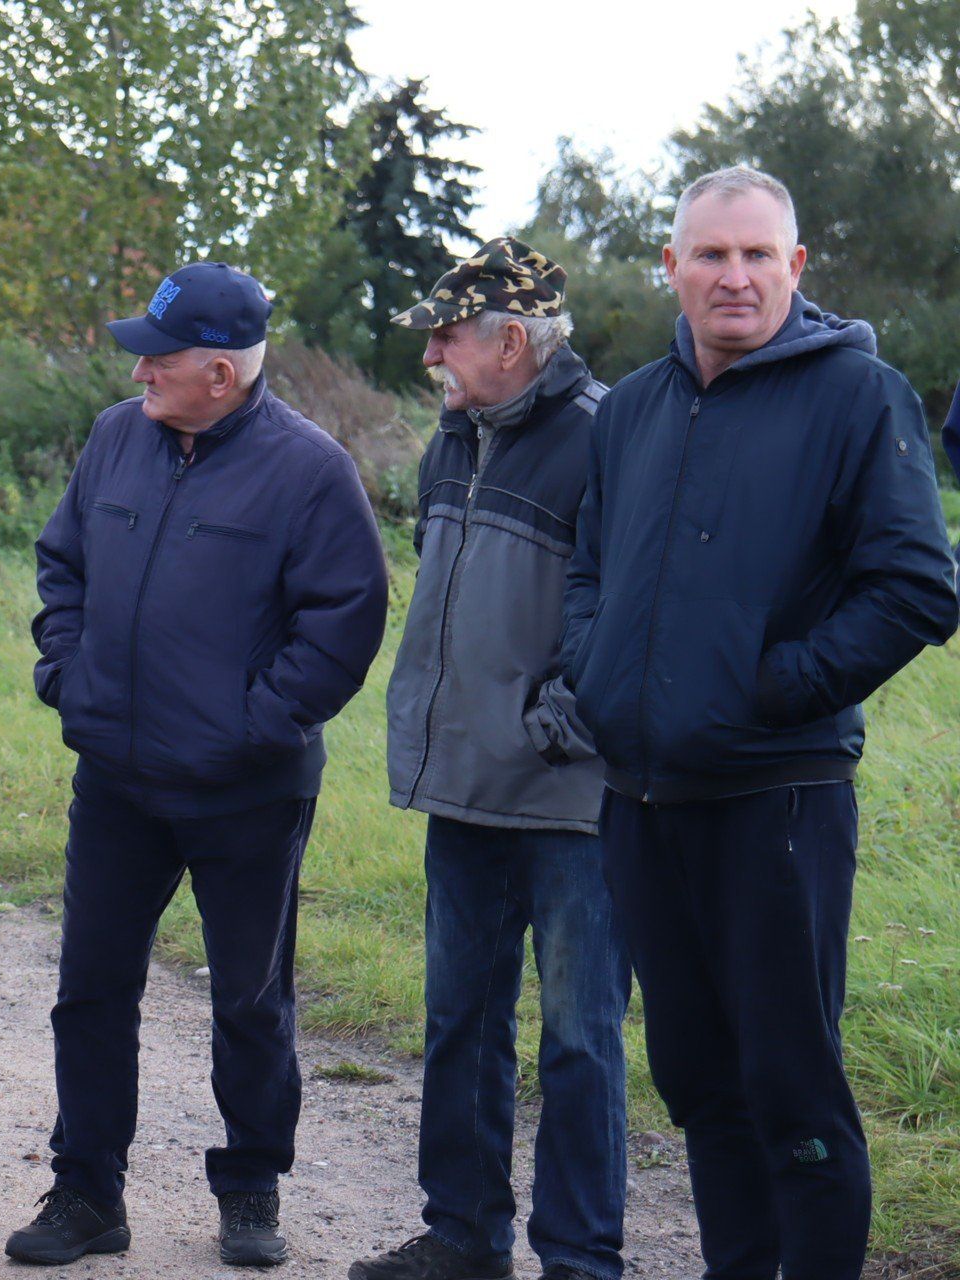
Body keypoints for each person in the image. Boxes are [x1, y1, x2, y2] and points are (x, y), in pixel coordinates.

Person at [564, 166, 958, 1280]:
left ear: (795, 267)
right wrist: (594, 668)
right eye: (709, 254)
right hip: (640, 797)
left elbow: (918, 587)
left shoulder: (856, 394)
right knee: (698, 1080)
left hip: (775, 796)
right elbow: (590, 569)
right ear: (671, 270)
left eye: (755, 255)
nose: (731, 275)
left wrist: (766, 687)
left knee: (791, 1085)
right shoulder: (635, 407)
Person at [7, 262, 388, 1268]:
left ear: (219, 372)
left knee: (248, 998)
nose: (139, 370)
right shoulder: (114, 438)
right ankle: (87, 1193)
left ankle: (251, 1187)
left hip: (245, 789)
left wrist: (251, 726)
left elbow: (344, 623)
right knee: (90, 987)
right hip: (119, 778)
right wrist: (68, 671)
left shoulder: (311, 471)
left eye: (158, 355)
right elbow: (64, 563)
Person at [358, 238, 629, 1280]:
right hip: (464, 787)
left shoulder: (607, 438)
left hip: (570, 799)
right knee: (460, 1021)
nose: (432, 354)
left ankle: (581, 1258)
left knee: (579, 1039)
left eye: (446, 334)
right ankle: (464, 1235)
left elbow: (625, 609)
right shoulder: (454, 439)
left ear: (510, 339)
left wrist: (553, 722)